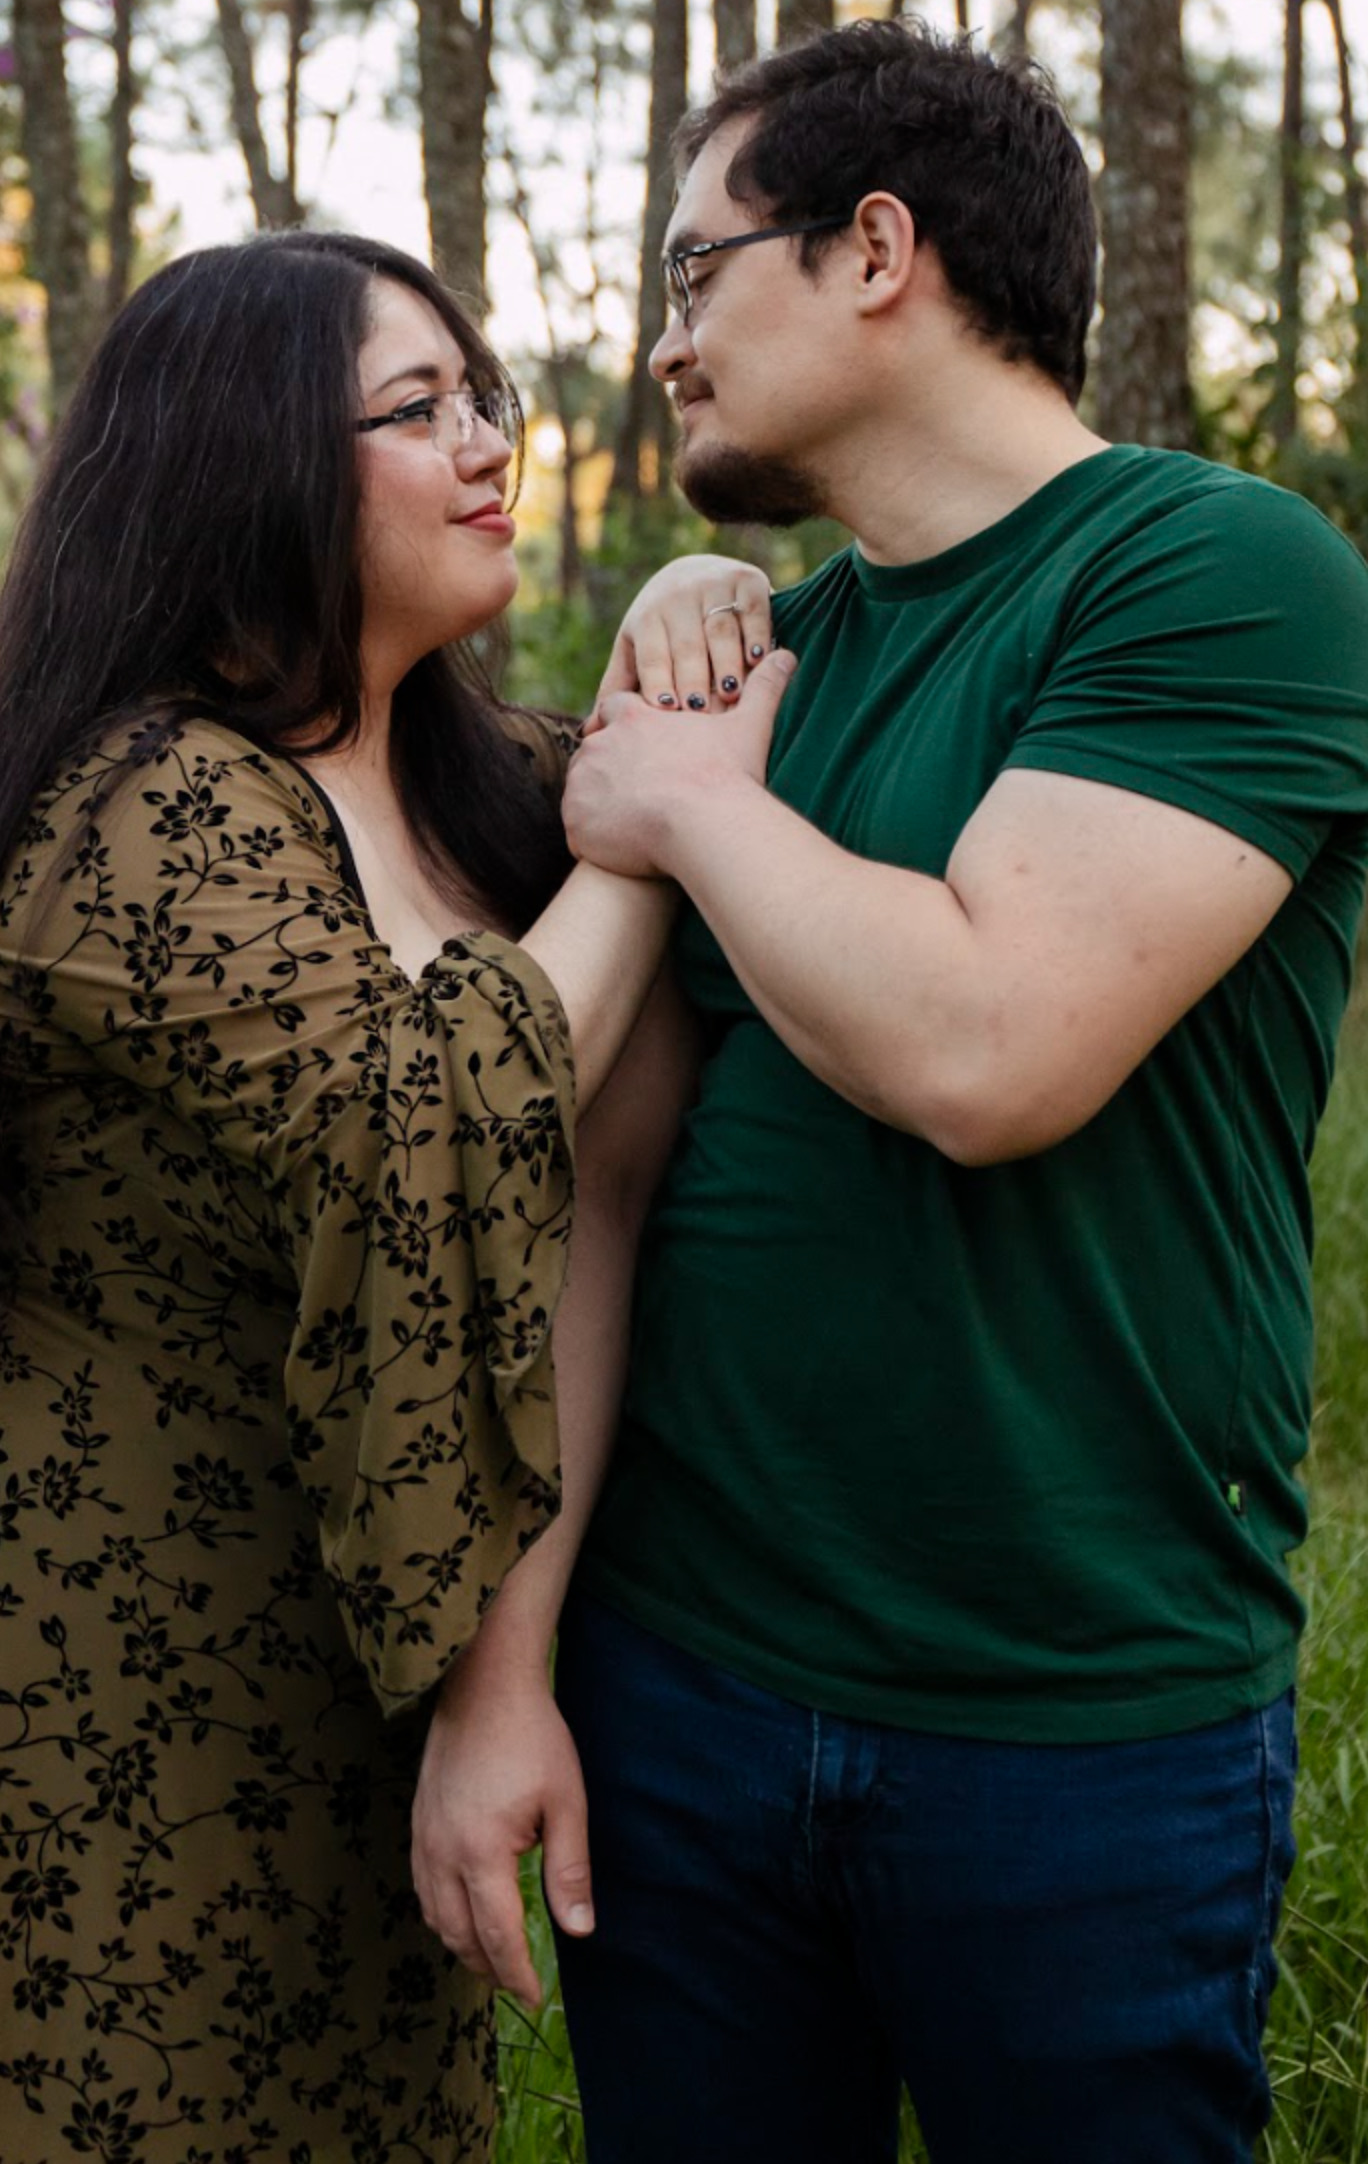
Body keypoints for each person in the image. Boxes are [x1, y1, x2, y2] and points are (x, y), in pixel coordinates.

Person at [418, 21, 1368, 2164]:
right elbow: (605, 1192)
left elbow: (986, 1050)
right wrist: (513, 1672)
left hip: (1075, 1728)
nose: (662, 343)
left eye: (694, 270)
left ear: (874, 250)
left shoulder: (1218, 571)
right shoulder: (761, 666)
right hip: (679, 1695)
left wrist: (683, 805)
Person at [0, 228, 788, 2163]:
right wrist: (648, 833)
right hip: (129, 1688)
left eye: (483, 395)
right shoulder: (134, 805)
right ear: (248, 457)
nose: (489, 442)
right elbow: (420, 1111)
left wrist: (686, 605)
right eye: (415, 407)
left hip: (395, 1673)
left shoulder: (476, 774)